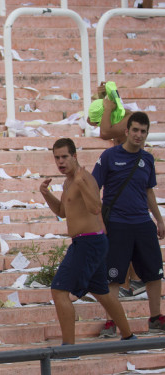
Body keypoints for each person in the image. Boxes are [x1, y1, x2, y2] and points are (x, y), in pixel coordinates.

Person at [40, 138, 135, 345]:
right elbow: (62, 212)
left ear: (75, 156)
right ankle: (129, 337)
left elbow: (95, 208)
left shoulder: (85, 177)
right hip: (87, 242)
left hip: (89, 242)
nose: (60, 162)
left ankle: (69, 348)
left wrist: (82, 184)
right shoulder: (67, 182)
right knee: (102, 292)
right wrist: (46, 194)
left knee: (59, 290)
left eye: (64, 157)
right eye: (57, 158)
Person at [92, 112, 165, 338]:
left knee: (154, 273)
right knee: (113, 276)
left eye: (143, 131)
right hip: (117, 224)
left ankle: (155, 318)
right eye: (135, 130)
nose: (138, 135)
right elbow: (93, 188)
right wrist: (97, 221)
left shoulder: (148, 159)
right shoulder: (109, 157)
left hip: (143, 223)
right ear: (127, 131)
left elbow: (148, 191)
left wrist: (159, 219)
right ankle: (110, 322)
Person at [89, 81, 133, 145]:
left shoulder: (129, 116)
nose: (107, 101)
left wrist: (107, 109)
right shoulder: (112, 115)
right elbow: (90, 121)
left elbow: (105, 134)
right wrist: (101, 98)